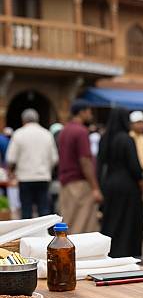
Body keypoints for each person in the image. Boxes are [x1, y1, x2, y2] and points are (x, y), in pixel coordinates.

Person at [97, 107, 143, 258]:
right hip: (127, 185)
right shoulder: (126, 139)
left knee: (111, 219)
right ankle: (125, 252)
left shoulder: (105, 138)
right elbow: (134, 167)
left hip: (109, 183)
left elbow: (99, 163)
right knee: (127, 220)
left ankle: (108, 250)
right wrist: (141, 179)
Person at [58, 100, 103, 233]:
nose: (90, 114)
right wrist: (95, 187)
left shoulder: (64, 130)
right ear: (82, 112)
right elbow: (85, 161)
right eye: (89, 111)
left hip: (65, 182)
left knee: (68, 221)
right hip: (79, 182)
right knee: (81, 224)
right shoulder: (81, 131)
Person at [6, 109, 58, 218]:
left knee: (26, 210)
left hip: (25, 177)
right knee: (44, 209)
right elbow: (54, 158)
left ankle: (27, 235)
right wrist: (47, 169)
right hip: (43, 177)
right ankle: (44, 234)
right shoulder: (47, 134)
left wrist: (11, 173)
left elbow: (11, 158)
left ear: (23, 120)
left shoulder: (19, 134)